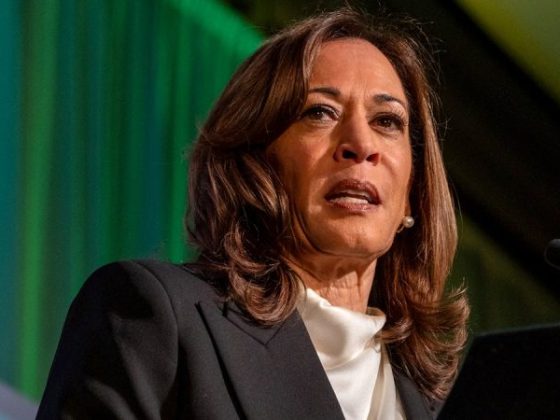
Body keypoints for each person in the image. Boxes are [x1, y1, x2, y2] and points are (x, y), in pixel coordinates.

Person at [37, 8, 469, 420]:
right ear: (254, 161)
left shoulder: (441, 405)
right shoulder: (157, 315)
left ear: (411, 194)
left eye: (387, 121)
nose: (361, 144)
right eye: (320, 112)